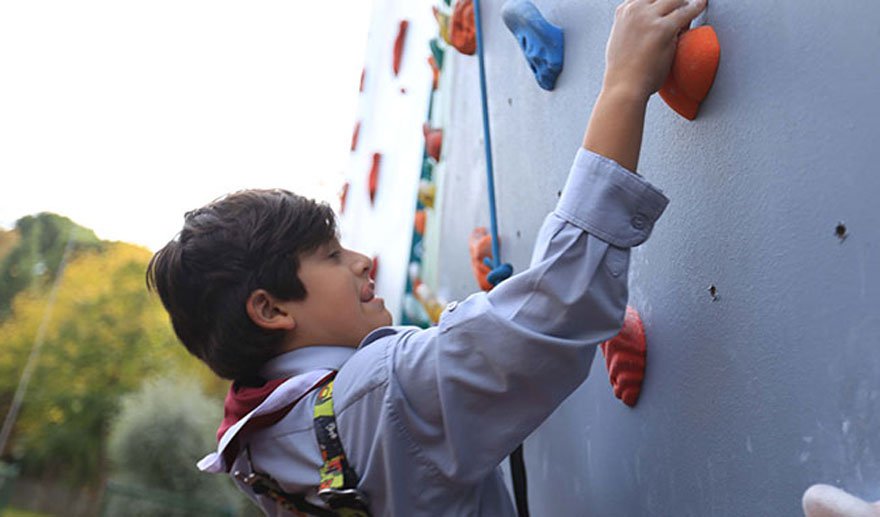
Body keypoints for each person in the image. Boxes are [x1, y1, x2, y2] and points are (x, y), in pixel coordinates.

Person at [146, 0, 707, 515]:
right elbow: (559, 304)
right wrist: (625, 86)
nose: (364, 260)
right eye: (329, 255)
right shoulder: (379, 394)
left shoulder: (260, 447)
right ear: (269, 310)